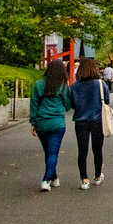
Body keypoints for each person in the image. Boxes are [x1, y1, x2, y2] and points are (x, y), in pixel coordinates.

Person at [30, 59, 72, 192]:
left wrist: (33, 122)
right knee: (53, 152)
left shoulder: (38, 84)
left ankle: (54, 178)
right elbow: (68, 104)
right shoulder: (63, 86)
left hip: (41, 123)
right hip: (57, 123)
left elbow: (34, 105)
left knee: (48, 152)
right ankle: (46, 179)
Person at [70, 57, 111, 190]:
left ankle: (84, 179)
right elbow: (107, 101)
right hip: (97, 120)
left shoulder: (75, 86)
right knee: (97, 149)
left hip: (80, 121)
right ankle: (98, 175)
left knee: (82, 151)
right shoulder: (100, 84)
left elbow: (72, 104)